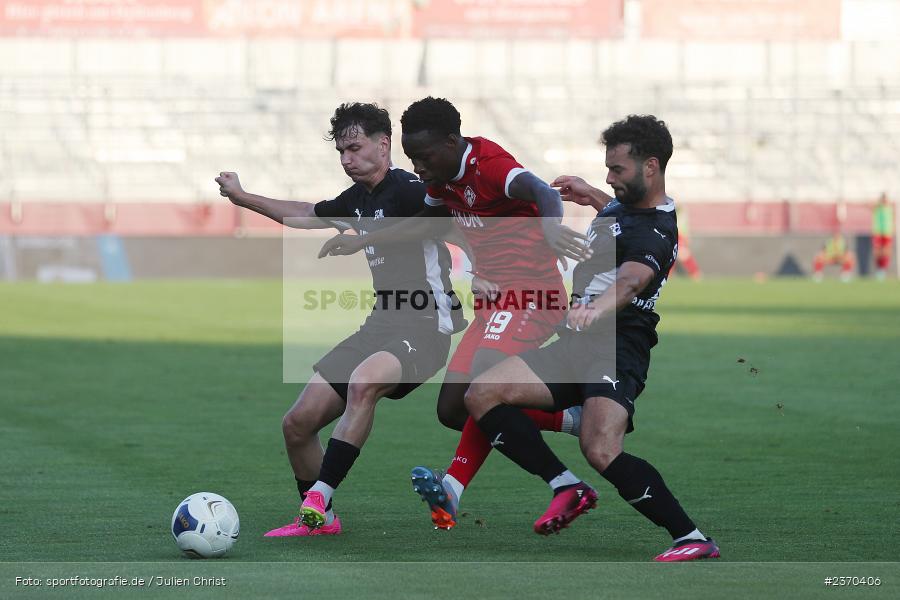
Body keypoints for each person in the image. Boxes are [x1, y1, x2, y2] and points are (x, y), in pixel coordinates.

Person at [319, 97, 591, 529]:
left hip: (532, 294)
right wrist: (362, 239)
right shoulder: (439, 181)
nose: (418, 167)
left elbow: (540, 191)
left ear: (451, 142)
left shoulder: (490, 164)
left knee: (484, 383)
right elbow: (423, 224)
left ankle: (562, 484)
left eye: (424, 157)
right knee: (453, 408)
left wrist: (551, 227)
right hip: (493, 301)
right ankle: (567, 417)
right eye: (412, 158)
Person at [462, 115, 720, 562]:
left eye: (617, 170)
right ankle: (566, 484)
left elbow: (631, 281)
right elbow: (622, 220)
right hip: (578, 341)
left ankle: (691, 536)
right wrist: (593, 194)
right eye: (607, 167)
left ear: (651, 167)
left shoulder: (657, 232)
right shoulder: (626, 206)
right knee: (482, 392)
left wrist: (592, 309)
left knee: (601, 448)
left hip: (616, 345)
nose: (609, 176)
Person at [216, 102, 463, 537]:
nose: (347, 159)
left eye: (354, 148)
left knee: (363, 383)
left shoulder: (410, 189)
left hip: (426, 327)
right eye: (341, 152)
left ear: (384, 145)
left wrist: (483, 276)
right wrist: (243, 197)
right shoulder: (357, 200)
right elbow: (306, 214)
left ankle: (315, 503)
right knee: (298, 424)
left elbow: (456, 223)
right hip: (379, 326)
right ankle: (323, 521)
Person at [872, 192, 894, 281]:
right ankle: (879, 269)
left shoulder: (889, 208)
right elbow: (871, 206)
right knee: (878, 252)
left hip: (887, 232)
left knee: (886, 251)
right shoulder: (877, 207)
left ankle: (883, 270)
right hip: (878, 231)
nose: (884, 200)